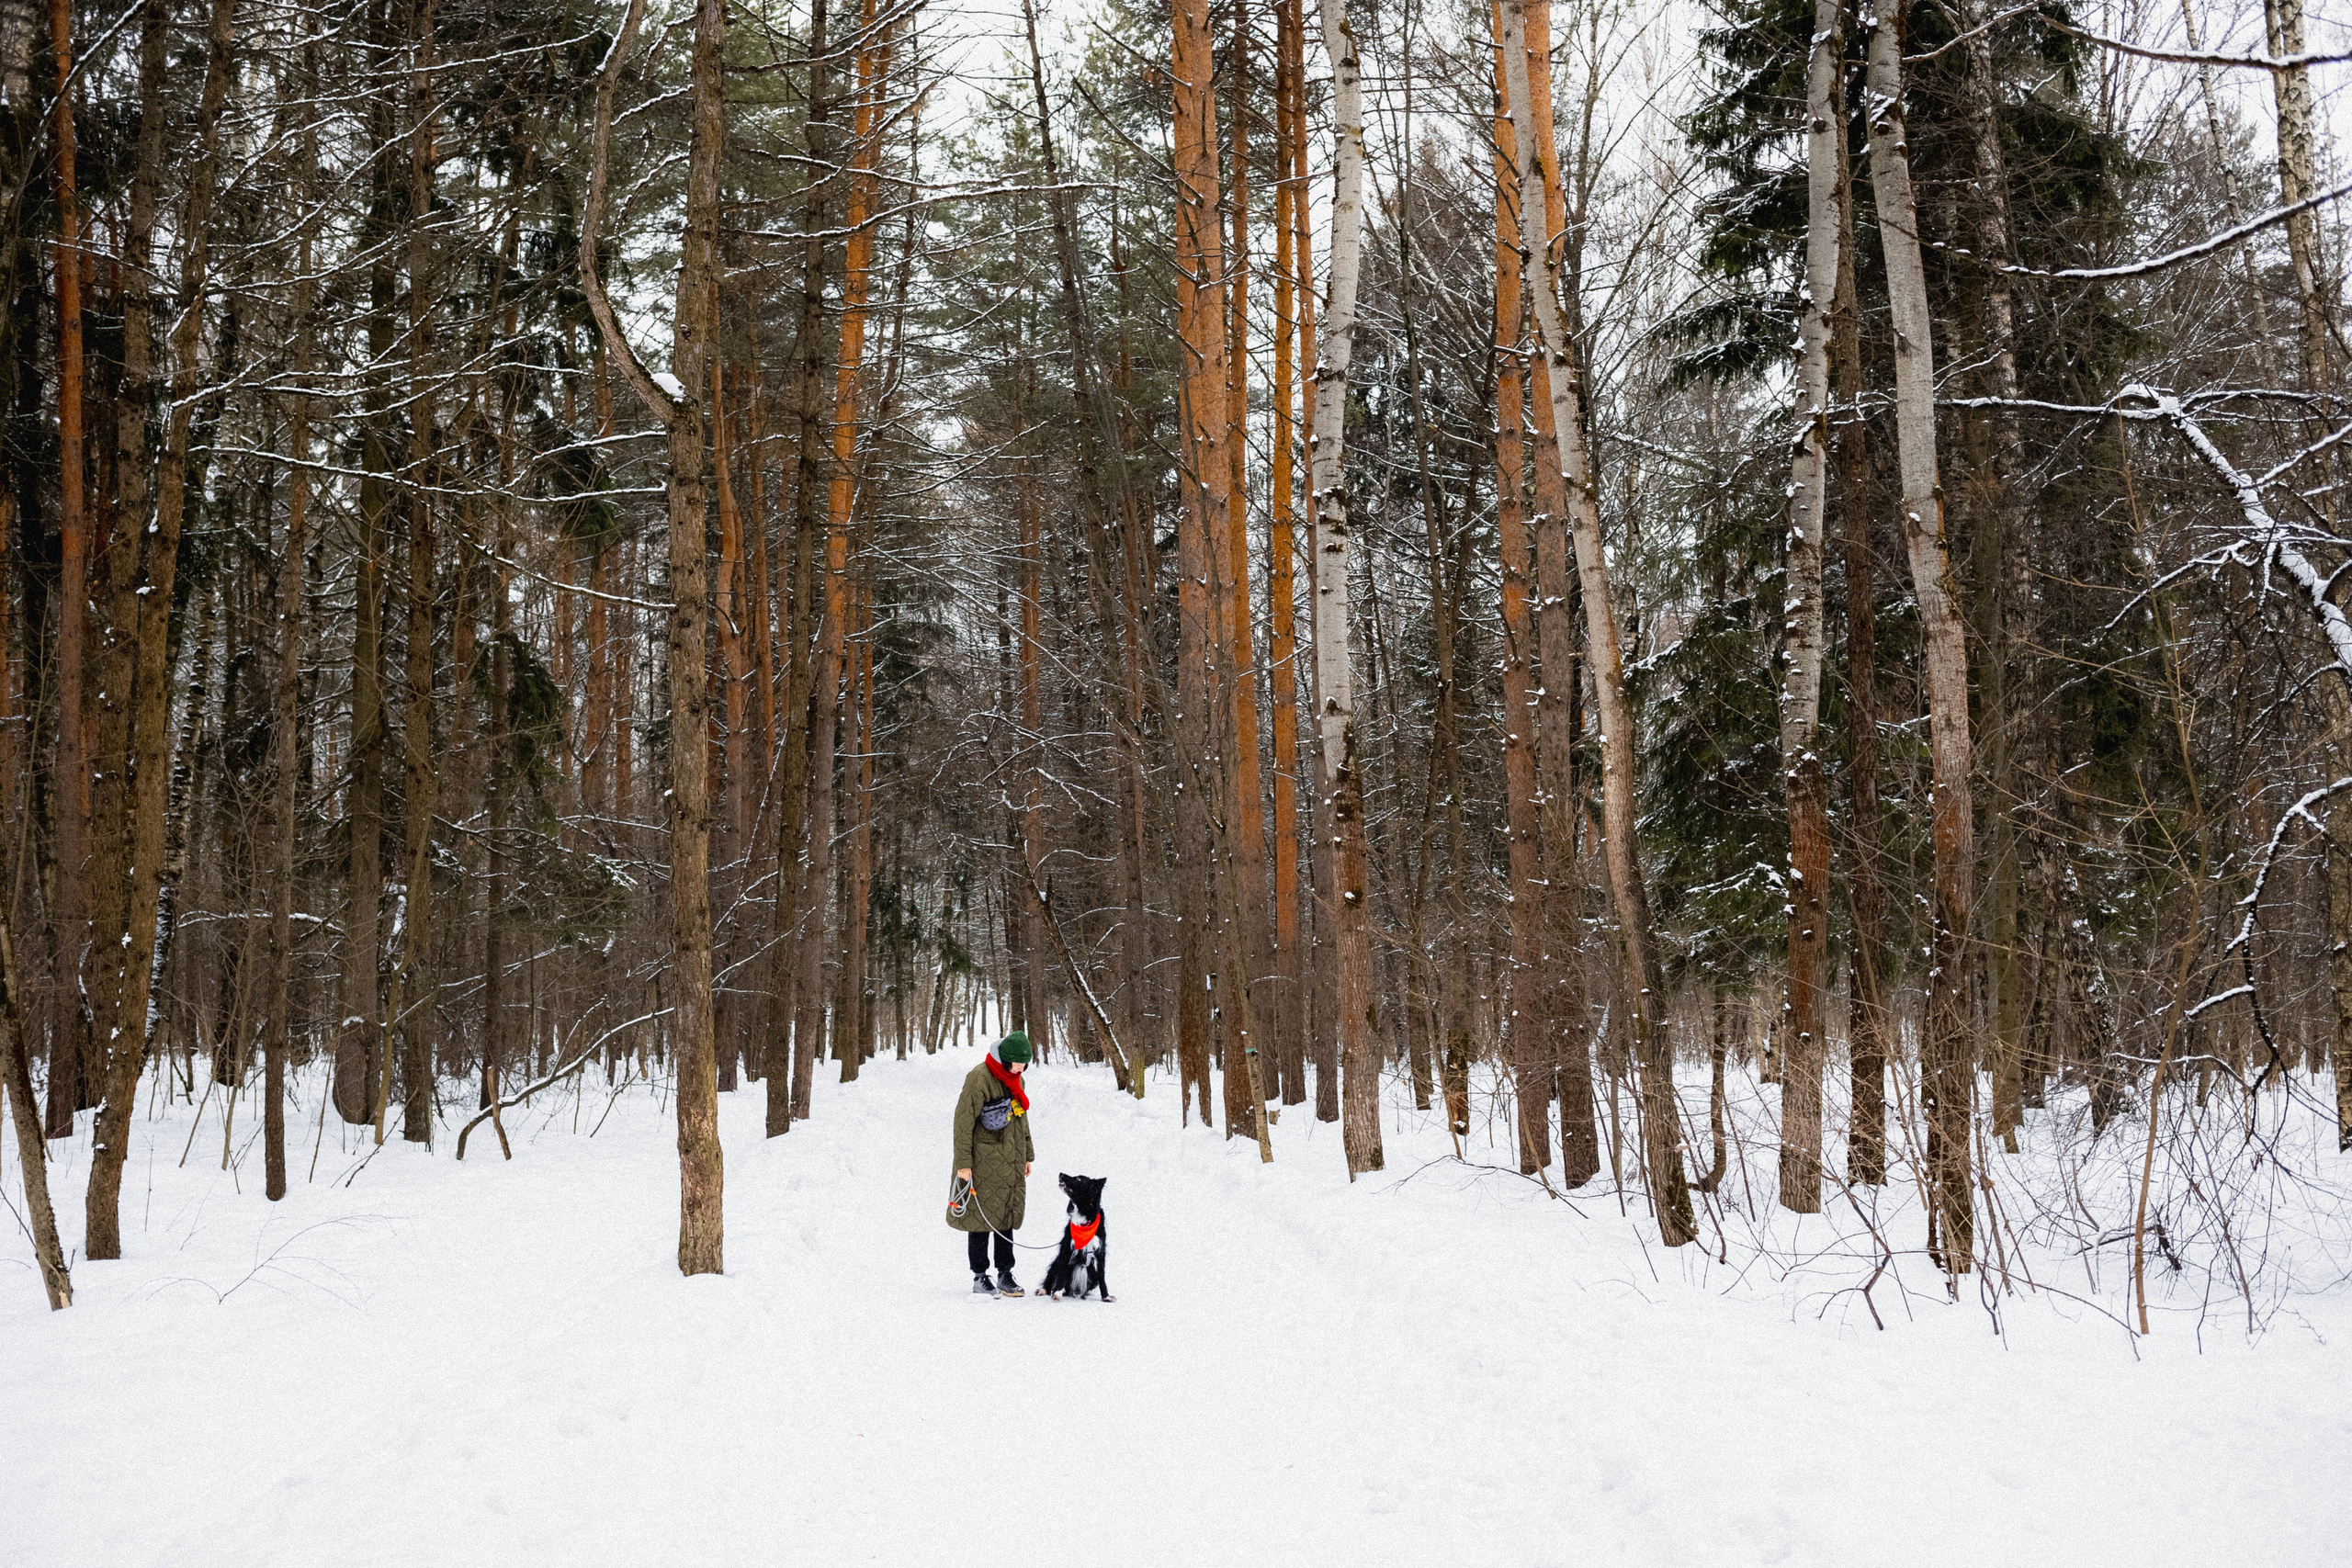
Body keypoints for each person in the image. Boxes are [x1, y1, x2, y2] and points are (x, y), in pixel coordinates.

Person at [950, 1032, 1035, 1296]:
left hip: (1010, 1161)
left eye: (1024, 1065)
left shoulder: (1015, 1081)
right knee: (980, 1219)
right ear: (1005, 1060)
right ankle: (979, 1276)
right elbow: (963, 1123)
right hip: (982, 1161)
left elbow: (1022, 1120)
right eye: (1017, 1064)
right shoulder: (979, 1078)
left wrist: (1027, 1155)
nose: (1021, 1069)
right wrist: (963, 1163)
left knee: (1006, 1216)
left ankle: (1005, 1274)